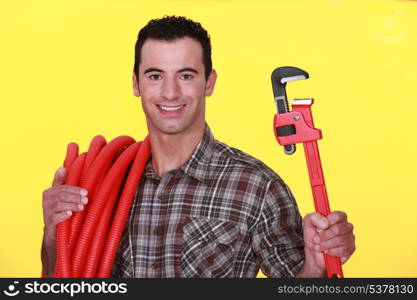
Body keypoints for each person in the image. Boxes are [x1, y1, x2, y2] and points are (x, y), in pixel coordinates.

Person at [41, 16, 355, 278]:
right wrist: (55, 234)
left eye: (186, 75)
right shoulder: (100, 181)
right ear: (136, 84)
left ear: (209, 82)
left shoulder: (258, 187)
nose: (170, 92)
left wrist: (315, 264)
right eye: (155, 76)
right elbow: (61, 279)